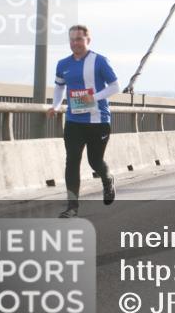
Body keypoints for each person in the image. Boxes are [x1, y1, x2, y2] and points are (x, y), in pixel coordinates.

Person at [45, 24, 120, 219]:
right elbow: (59, 87)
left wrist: (94, 97)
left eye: (79, 39)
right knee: (72, 161)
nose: (75, 43)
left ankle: (107, 179)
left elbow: (115, 86)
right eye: (72, 40)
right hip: (73, 121)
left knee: (95, 161)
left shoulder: (100, 61)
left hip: (98, 120)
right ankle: (72, 207)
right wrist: (55, 106)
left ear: (88, 40)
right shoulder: (63, 64)